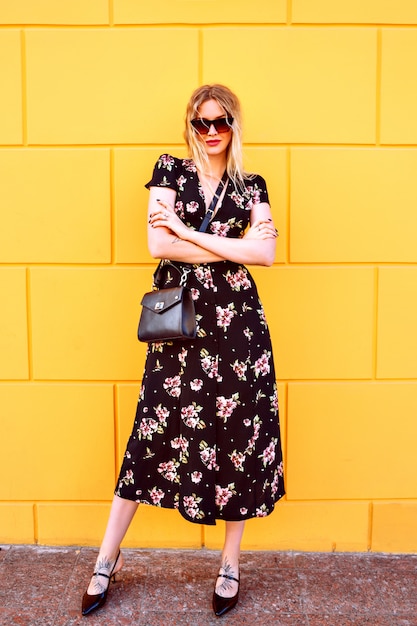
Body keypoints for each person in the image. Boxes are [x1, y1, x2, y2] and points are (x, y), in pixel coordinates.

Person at [81, 84, 285, 618]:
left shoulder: (251, 185)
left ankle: (230, 563)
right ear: (190, 126)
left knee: (240, 436)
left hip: (238, 327)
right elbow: (158, 246)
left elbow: (264, 254)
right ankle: (107, 557)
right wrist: (224, 245)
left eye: (221, 122)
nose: (212, 132)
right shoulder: (169, 171)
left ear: (235, 125)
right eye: (202, 123)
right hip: (180, 325)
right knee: (152, 431)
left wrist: (188, 232)